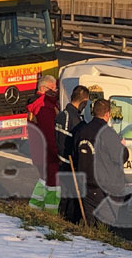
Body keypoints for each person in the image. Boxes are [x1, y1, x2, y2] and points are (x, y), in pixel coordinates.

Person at [73, 99, 129, 225]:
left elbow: (75, 153)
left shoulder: (82, 130)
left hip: (85, 183)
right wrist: (122, 146)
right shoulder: (107, 133)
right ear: (107, 114)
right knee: (104, 224)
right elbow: (121, 157)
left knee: (89, 222)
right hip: (103, 186)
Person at [55, 85, 90, 222]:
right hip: (70, 166)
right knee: (71, 201)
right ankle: (69, 224)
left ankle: (62, 220)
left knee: (64, 198)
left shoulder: (61, 115)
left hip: (61, 162)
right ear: (84, 101)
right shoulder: (76, 121)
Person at [27, 75, 60, 212]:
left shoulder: (36, 104)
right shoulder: (44, 106)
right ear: (42, 88)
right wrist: (57, 153)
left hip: (39, 152)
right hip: (49, 153)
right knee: (53, 183)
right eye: (52, 88)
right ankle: (51, 213)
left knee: (44, 179)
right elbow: (49, 134)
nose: (55, 91)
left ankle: (34, 207)